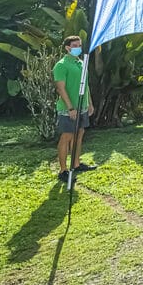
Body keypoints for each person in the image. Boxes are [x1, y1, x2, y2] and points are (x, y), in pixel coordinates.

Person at [52, 36, 98, 186]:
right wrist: (70, 107)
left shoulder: (81, 62)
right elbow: (60, 88)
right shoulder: (61, 65)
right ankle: (63, 170)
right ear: (67, 47)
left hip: (83, 106)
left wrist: (89, 103)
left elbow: (86, 86)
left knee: (79, 134)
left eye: (79, 45)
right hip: (68, 109)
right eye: (74, 45)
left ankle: (76, 163)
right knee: (67, 136)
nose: (78, 47)